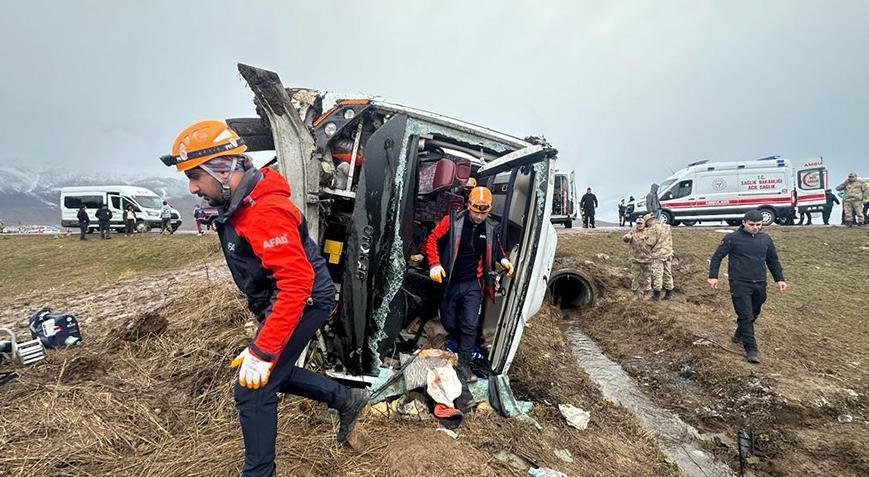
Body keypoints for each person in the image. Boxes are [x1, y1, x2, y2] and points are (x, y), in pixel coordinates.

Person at [161, 119, 368, 476]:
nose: (193, 187)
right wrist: (265, 350)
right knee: (272, 373)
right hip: (281, 300)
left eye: (195, 175)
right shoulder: (240, 205)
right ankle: (347, 399)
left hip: (303, 300)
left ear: (223, 169)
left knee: (252, 389)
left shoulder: (265, 213)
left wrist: (262, 349)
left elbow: (296, 283)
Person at [424, 186, 513, 381]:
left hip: (473, 283)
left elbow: (496, 247)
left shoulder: (489, 227)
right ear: (469, 206)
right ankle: (456, 341)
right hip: (450, 281)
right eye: (476, 212)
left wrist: (503, 260)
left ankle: (464, 365)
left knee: (470, 324)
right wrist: (435, 264)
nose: (480, 217)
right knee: (448, 321)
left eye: (484, 213)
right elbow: (432, 240)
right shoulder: (452, 221)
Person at [708, 210, 787, 364]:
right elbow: (717, 257)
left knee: (754, 313)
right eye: (752, 225)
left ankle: (739, 334)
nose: (755, 227)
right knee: (745, 315)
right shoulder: (732, 238)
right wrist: (713, 276)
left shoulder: (765, 239)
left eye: (758, 225)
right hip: (739, 282)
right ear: (744, 222)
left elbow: (772, 260)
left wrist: (779, 279)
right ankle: (751, 349)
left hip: (759, 282)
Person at [644, 213, 674, 300]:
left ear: (649, 221)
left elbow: (650, 242)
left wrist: (645, 240)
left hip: (658, 255)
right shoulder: (666, 226)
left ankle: (656, 295)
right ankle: (669, 293)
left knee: (657, 274)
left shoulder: (653, 229)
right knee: (668, 273)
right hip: (668, 253)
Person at [622, 215, 652, 297]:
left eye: (641, 223)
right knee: (635, 277)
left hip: (647, 259)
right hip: (636, 259)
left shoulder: (649, 232)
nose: (639, 225)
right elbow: (625, 239)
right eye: (638, 223)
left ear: (644, 223)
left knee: (647, 277)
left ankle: (647, 293)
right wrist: (627, 237)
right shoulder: (633, 231)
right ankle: (635, 294)